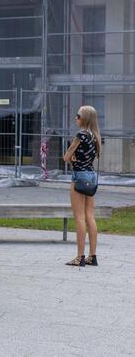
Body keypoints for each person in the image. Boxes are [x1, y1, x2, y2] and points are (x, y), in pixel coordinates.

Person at [63, 105, 102, 267]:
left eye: (77, 115)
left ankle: (80, 257)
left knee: (79, 217)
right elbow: (86, 156)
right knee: (90, 216)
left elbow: (66, 156)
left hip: (79, 176)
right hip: (91, 176)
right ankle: (92, 256)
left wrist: (71, 158)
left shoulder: (80, 135)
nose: (75, 118)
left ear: (84, 118)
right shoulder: (95, 136)